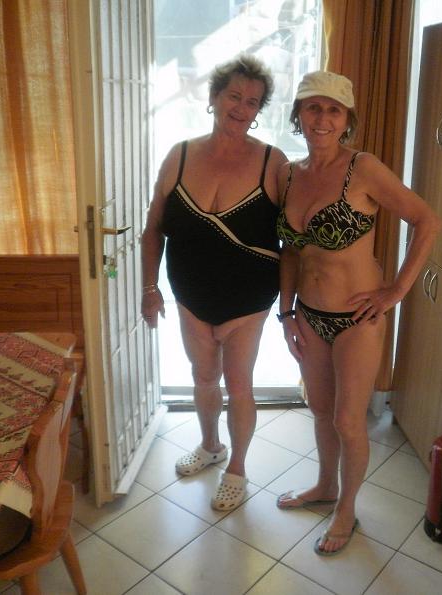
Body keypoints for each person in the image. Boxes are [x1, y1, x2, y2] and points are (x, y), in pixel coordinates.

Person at [275, 71, 441, 555]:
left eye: (334, 110)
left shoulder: (362, 168)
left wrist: (396, 291)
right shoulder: (288, 174)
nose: (322, 118)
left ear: (347, 119)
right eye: (313, 107)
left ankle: (347, 508)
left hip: (357, 320)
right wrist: (286, 313)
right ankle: (326, 486)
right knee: (320, 411)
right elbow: (290, 250)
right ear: (299, 114)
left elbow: (427, 220)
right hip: (308, 313)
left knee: (348, 421)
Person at [141, 54, 287, 511]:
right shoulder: (179, 155)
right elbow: (153, 229)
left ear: (258, 110)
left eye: (252, 102)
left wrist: (293, 306)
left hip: (249, 299)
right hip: (190, 294)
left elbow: (297, 238)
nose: (241, 108)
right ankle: (210, 446)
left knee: (238, 384)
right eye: (234, 96)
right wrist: (150, 288)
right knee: (203, 377)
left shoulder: (273, 162)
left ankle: (237, 468)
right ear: (214, 97)